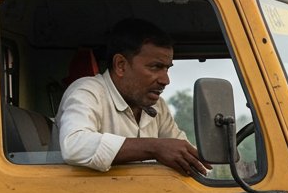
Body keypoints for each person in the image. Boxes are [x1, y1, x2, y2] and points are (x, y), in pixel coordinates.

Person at [55, 18, 209, 176]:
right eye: (155, 67)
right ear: (121, 65)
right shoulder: (88, 91)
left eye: (167, 69)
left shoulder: (157, 106)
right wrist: (154, 148)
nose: (165, 80)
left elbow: (186, 157)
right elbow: (74, 145)